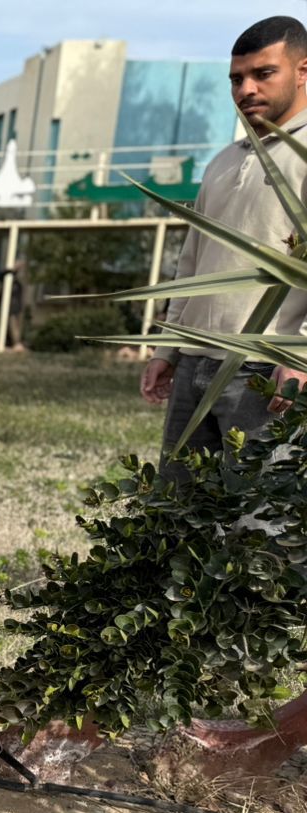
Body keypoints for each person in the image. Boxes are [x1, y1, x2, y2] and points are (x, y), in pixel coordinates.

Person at [139, 15, 307, 478]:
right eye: (236, 79)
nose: (246, 89)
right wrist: (167, 350)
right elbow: (192, 262)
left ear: (302, 71)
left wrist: (300, 356)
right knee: (178, 507)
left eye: (263, 73)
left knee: (259, 514)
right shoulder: (222, 161)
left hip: (267, 368)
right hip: (195, 362)